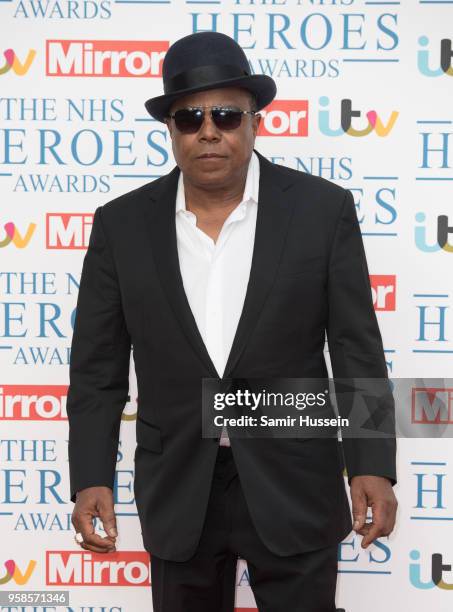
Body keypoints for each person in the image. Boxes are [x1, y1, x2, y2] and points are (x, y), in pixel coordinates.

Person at [67, 31, 398, 612]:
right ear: (170, 129)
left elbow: (355, 348)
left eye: (225, 113)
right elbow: (97, 369)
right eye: (189, 117)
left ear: (254, 121)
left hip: (294, 477)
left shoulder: (322, 211)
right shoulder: (120, 227)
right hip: (178, 488)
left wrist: (372, 464)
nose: (209, 130)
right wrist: (91, 476)